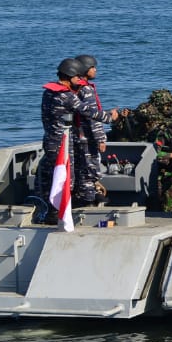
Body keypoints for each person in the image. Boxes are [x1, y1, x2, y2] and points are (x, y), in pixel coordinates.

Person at [35, 58, 117, 220]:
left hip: (50, 140)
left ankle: (49, 209)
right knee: (67, 178)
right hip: (62, 144)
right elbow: (87, 111)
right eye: (76, 77)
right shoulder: (66, 96)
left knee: (54, 174)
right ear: (71, 76)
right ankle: (57, 213)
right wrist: (111, 117)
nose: (78, 81)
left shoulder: (49, 92)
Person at [72, 54, 109, 205]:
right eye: (92, 67)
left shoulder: (73, 87)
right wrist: (100, 138)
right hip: (86, 137)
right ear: (85, 69)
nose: (95, 70)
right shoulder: (86, 89)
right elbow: (92, 116)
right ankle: (88, 202)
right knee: (89, 170)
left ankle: (80, 198)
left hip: (75, 135)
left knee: (79, 169)